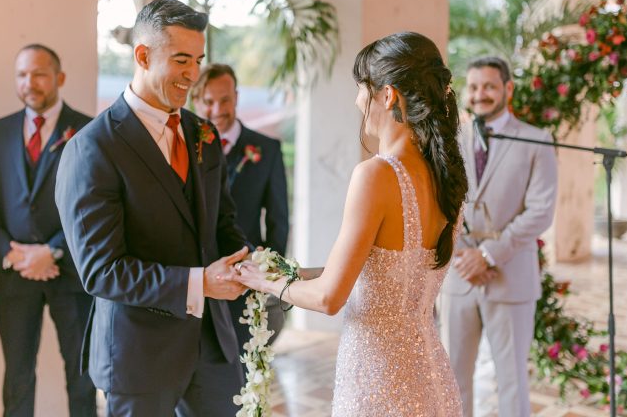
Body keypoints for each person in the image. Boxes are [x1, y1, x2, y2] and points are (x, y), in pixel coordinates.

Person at [233, 31, 466, 416]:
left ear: (388, 95)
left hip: (379, 384)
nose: (358, 99)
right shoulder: (446, 178)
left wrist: (266, 282)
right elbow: (377, 275)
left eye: (362, 88)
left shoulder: (376, 175)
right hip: (430, 381)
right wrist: (291, 271)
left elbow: (330, 298)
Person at [54, 0, 250, 417]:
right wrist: (200, 284)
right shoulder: (91, 149)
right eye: (181, 60)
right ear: (142, 55)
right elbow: (101, 270)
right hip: (137, 356)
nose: (193, 74)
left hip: (213, 351)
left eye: (198, 60)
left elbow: (223, 223)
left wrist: (255, 268)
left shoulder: (204, 133)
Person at [0, 44, 95, 417]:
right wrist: (10, 253)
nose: (31, 83)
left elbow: (95, 206)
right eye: (22, 75)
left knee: (81, 374)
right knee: (18, 377)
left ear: (59, 78)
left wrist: (54, 249)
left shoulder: (89, 131)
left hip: (72, 273)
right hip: (14, 274)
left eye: (40, 74)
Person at [438, 56, 558, 417]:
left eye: (489, 86)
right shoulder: (448, 140)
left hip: (511, 276)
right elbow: (439, 204)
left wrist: (488, 255)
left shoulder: (537, 141)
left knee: (512, 382)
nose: (480, 95)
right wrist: (463, 254)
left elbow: (540, 210)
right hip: (459, 276)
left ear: (507, 89)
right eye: (473, 87)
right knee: (453, 378)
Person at [192, 63, 289, 353]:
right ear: (196, 100)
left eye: (225, 100)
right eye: (208, 101)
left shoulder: (266, 149)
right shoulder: (185, 147)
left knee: (244, 366)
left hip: (246, 277)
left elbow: (278, 220)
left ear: (236, 96)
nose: (217, 109)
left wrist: (269, 276)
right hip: (197, 277)